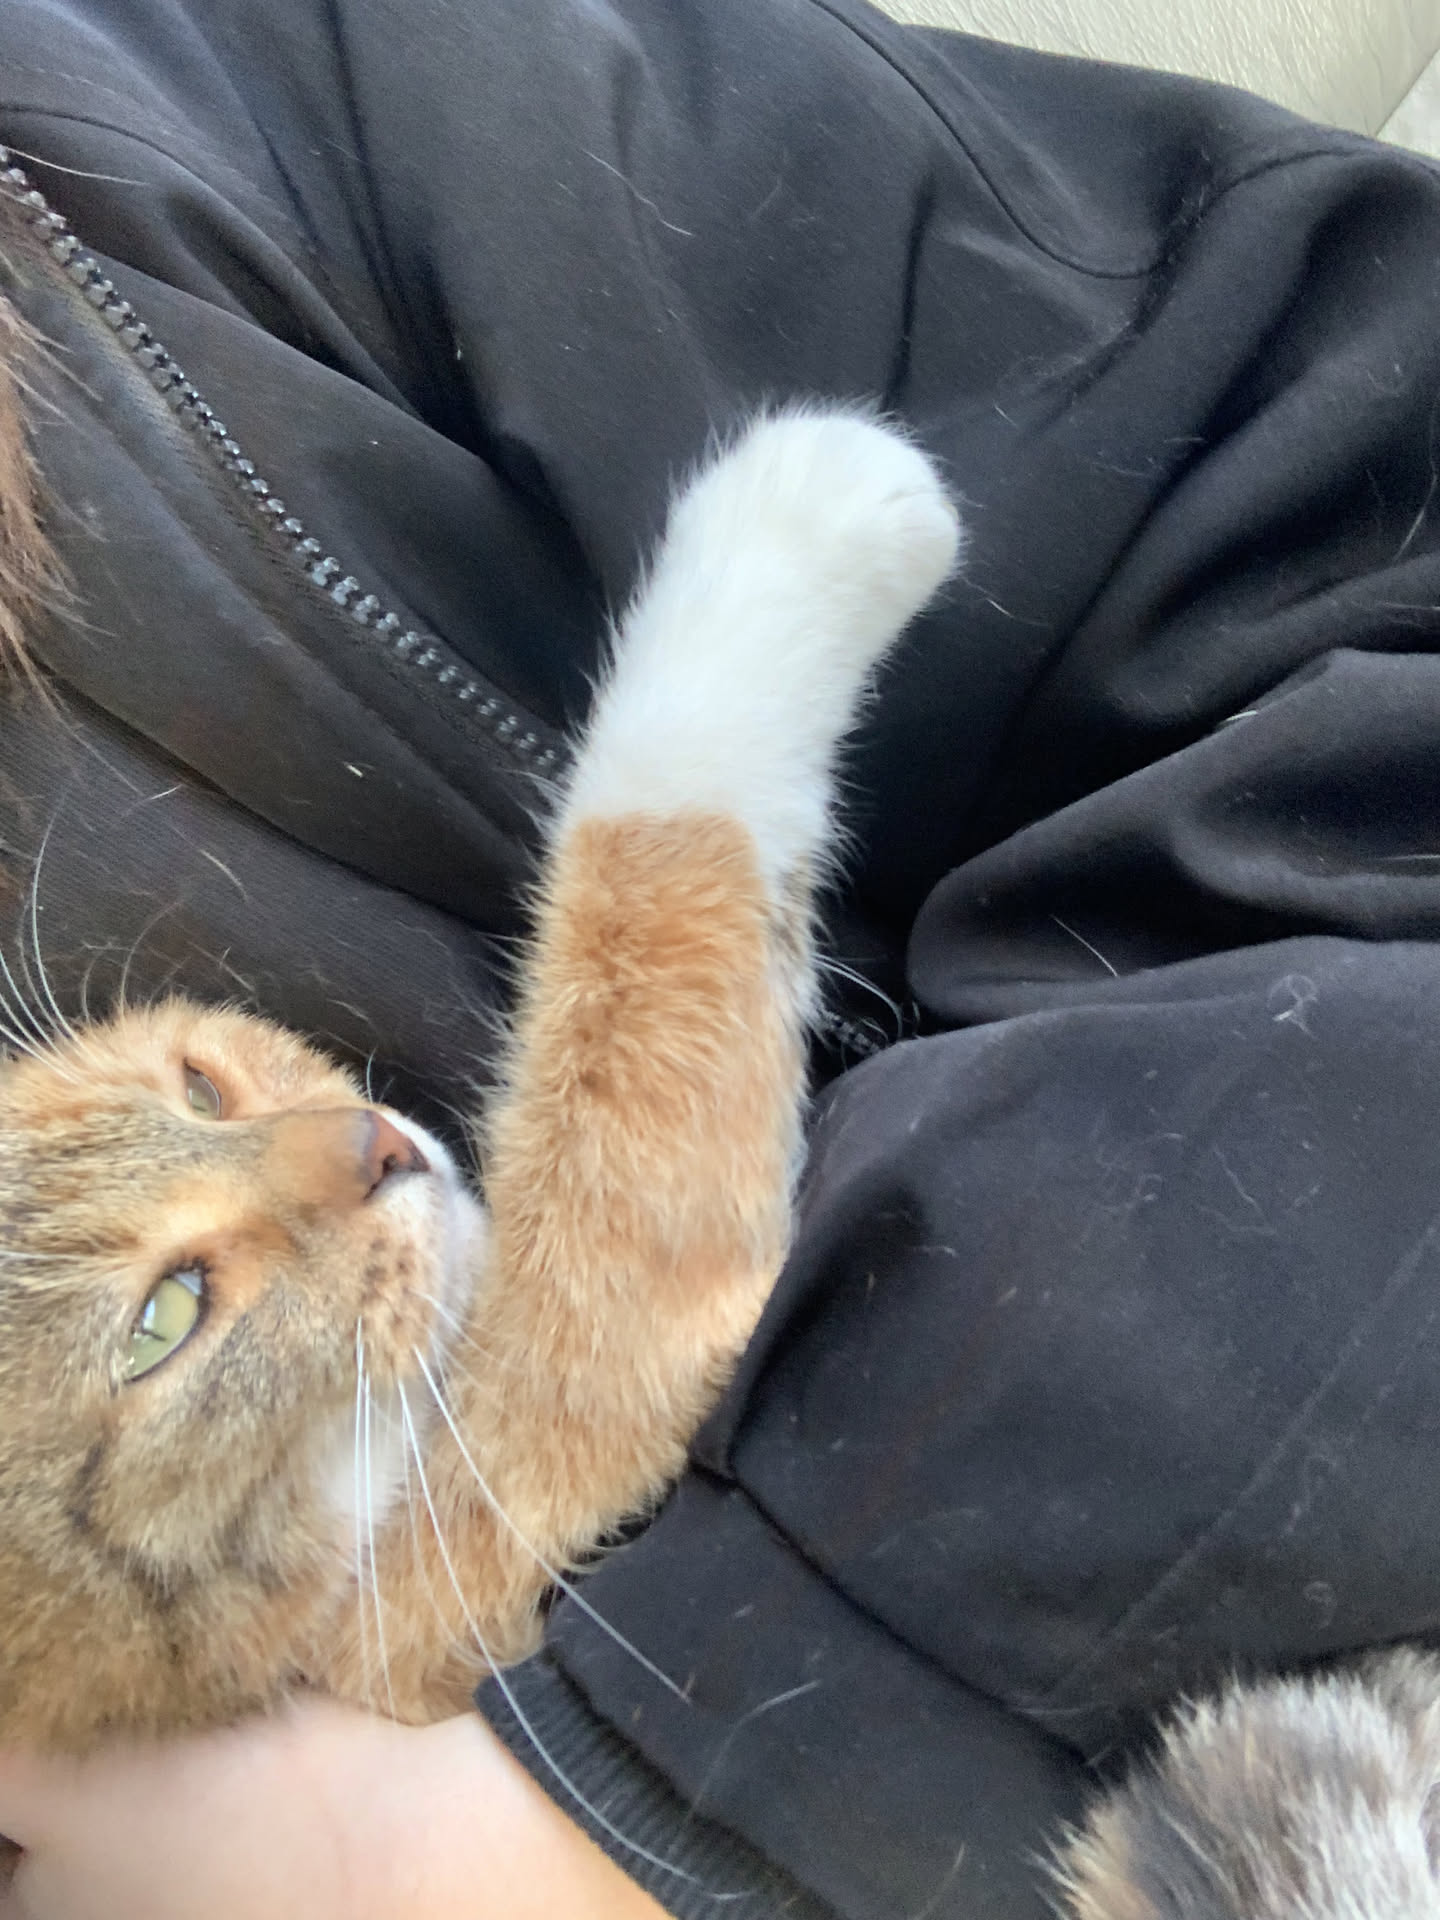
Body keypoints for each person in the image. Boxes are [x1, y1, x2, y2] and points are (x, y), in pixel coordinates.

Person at [3, 1, 1440, 1914]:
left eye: (203, 1087)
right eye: (171, 1308)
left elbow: (1358, 430)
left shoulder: (155, 138)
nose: (330, 1152)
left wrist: (615, 1798)